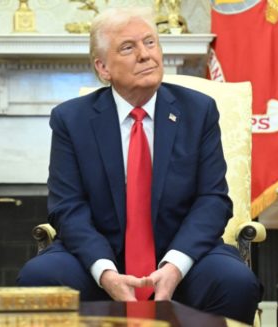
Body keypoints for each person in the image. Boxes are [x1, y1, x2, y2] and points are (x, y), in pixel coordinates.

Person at [17, 7, 261, 325]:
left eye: (150, 42)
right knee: (39, 277)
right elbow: (68, 207)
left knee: (235, 282)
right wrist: (105, 272)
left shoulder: (198, 110)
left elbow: (213, 200)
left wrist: (175, 266)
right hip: (99, 258)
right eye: (128, 47)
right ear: (103, 67)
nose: (146, 55)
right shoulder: (71, 120)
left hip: (183, 255)